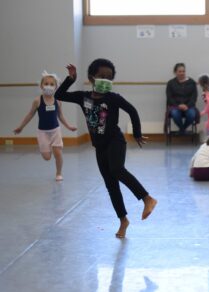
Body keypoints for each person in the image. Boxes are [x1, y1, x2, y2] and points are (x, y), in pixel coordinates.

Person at [55, 59, 157, 238]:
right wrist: (70, 79)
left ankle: (147, 198)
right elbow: (59, 95)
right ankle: (123, 221)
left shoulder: (113, 98)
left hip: (115, 141)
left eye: (109, 78)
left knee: (117, 169)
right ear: (91, 77)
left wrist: (137, 133)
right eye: (101, 76)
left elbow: (132, 111)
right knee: (111, 185)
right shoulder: (83, 97)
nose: (105, 80)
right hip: (99, 147)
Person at [13, 71, 77, 181]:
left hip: (55, 131)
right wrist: (21, 127)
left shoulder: (58, 101)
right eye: (46, 83)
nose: (49, 86)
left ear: (56, 87)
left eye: (52, 84)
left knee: (58, 153)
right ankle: (48, 148)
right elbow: (30, 115)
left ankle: (59, 173)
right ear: (41, 86)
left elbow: (60, 116)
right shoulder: (37, 101)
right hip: (42, 132)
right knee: (47, 157)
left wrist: (69, 126)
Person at [166, 63, 198, 134]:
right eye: (179, 71)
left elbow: (194, 97)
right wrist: (178, 105)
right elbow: (169, 97)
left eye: (183, 71)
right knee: (175, 114)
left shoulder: (191, 82)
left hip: (189, 106)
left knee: (192, 114)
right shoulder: (170, 83)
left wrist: (187, 106)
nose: (182, 73)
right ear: (175, 72)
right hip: (175, 106)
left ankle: (182, 130)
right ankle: (183, 130)